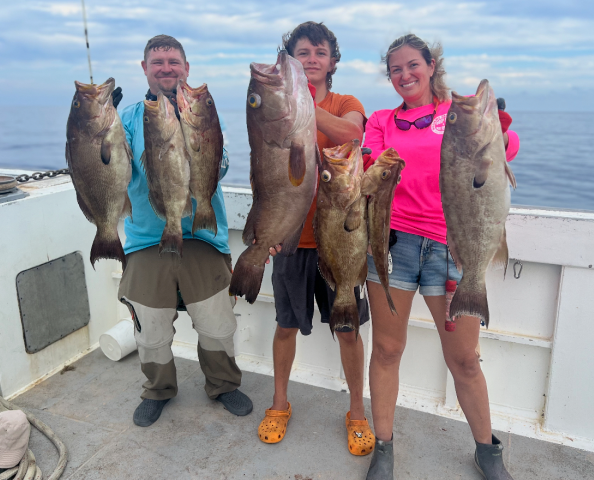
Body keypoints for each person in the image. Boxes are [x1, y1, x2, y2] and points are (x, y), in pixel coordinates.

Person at [361, 34, 519, 480]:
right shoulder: (379, 121)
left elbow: (508, 150)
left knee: (464, 359)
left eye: (413, 65)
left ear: (431, 66)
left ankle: (487, 451)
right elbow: (369, 163)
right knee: (388, 349)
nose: (405, 75)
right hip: (393, 246)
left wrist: (502, 128)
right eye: (396, 69)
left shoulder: (460, 114)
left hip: (453, 248)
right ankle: (385, 448)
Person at [117, 34, 253, 427]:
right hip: (146, 239)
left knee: (217, 322)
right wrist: (102, 135)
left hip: (202, 233)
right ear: (145, 69)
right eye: (157, 62)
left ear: (186, 68)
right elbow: (117, 170)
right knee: (151, 329)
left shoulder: (203, 109)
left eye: (173, 61)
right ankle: (157, 389)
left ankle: (224, 384)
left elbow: (221, 166)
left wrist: (190, 130)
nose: (166, 68)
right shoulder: (127, 118)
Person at [258, 22, 375, 457]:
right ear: (289, 59)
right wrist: (268, 228)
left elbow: (352, 134)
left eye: (319, 52)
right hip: (290, 239)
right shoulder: (274, 104)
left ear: (332, 61)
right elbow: (265, 169)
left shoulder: (345, 103)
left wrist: (300, 106)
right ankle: (279, 403)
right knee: (285, 325)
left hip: (338, 241)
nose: (311, 59)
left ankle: (357, 412)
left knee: (347, 330)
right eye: (302, 52)